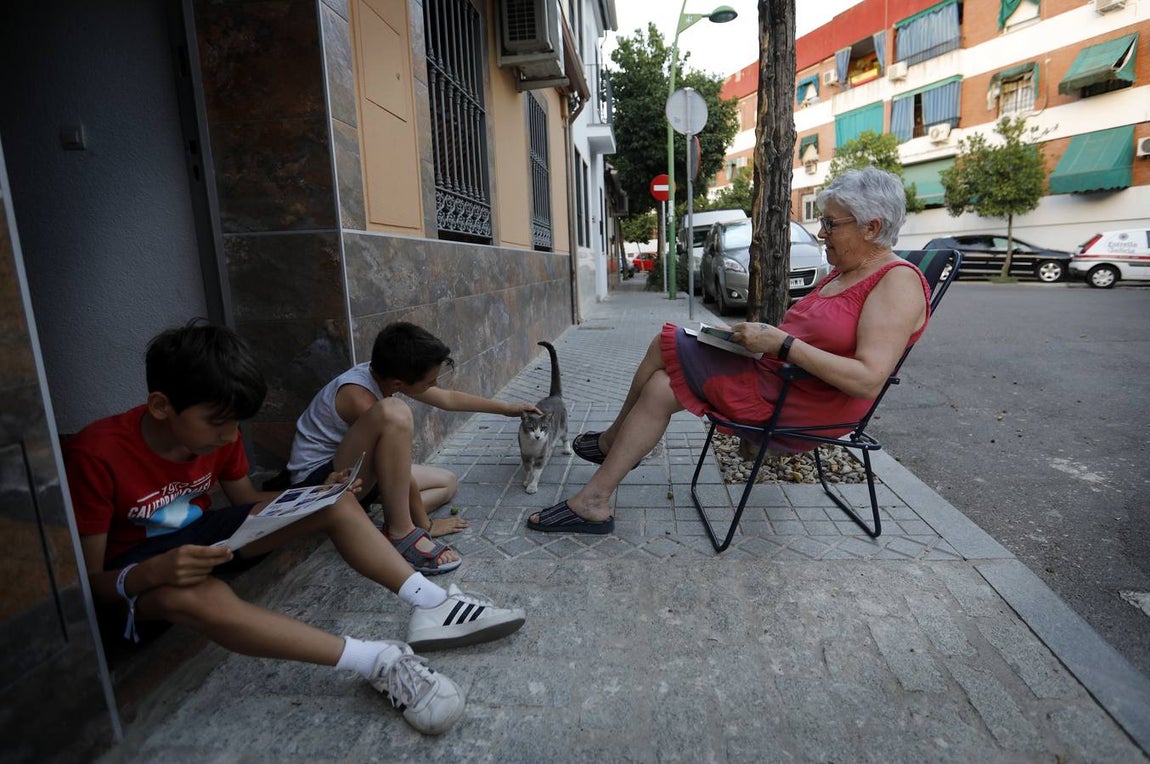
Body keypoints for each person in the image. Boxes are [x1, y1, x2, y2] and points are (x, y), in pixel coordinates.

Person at [65, 323, 527, 736]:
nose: (229, 438)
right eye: (218, 424)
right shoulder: (97, 453)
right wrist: (153, 572)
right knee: (196, 597)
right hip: (136, 576)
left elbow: (246, 504)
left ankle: (432, 603)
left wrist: (313, 498)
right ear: (162, 406)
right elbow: (90, 587)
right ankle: (377, 661)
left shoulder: (217, 435)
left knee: (336, 502)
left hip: (204, 536)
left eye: (236, 425)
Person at [526, 166, 932, 534]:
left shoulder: (896, 282)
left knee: (665, 340)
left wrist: (781, 343)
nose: (822, 232)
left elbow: (867, 379)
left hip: (807, 404)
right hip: (782, 380)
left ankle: (612, 442)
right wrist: (755, 340)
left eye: (830, 223)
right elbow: (811, 339)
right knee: (661, 387)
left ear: (870, 226)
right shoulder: (845, 273)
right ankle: (595, 499)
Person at [287, 322, 540, 574]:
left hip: (356, 473)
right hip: (321, 483)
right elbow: (396, 470)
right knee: (394, 412)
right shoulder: (359, 397)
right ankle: (401, 532)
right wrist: (425, 525)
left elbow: (447, 399)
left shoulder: (386, 375)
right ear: (399, 384)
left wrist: (507, 409)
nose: (434, 385)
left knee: (448, 482)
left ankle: (376, 520)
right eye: (430, 381)